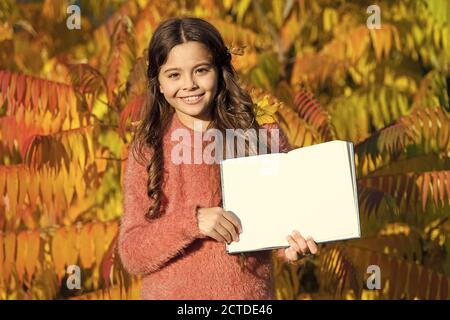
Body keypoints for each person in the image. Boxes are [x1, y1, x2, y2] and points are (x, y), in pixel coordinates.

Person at [118, 17, 318, 300]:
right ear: (159, 83)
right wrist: (192, 221)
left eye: (201, 70)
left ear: (220, 71)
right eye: (174, 75)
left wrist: (292, 247)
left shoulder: (261, 136)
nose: (189, 84)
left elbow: (286, 221)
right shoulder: (148, 149)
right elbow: (131, 254)